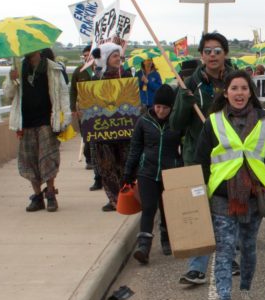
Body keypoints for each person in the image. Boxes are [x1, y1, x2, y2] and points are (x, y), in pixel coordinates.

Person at [191, 70, 265, 300]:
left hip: (256, 196)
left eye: (244, 88)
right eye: (234, 88)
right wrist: (197, 196)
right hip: (222, 196)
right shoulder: (214, 122)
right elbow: (201, 160)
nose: (239, 93)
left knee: (248, 246)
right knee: (223, 249)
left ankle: (245, 290)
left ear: (250, 93)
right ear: (226, 92)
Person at [172, 31, 233, 286]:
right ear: (201, 55)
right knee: (198, 210)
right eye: (207, 51)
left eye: (217, 50)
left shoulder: (235, 81)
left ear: (225, 54)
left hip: (228, 156)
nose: (212, 55)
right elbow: (175, 123)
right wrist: (186, 104)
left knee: (229, 208)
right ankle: (197, 267)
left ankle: (231, 255)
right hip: (197, 156)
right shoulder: (189, 85)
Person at [4, 48, 72, 211]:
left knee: (48, 158)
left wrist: (66, 117)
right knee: (30, 160)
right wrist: (12, 81)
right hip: (26, 122)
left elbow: (63, 93)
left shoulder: (52, 68)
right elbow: (9, 94)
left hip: (47, 120)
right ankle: (37, 197)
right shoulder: (18, 68)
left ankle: (50, 194)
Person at [123, 84, 182, 264]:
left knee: (167, 208)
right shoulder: (143, 121)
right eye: (158, 107)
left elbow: (187, 146)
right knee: (148, 207)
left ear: (171, 107)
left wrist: (182, 165)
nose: (161, 111)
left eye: (165, 107)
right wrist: (128, 172)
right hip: (147, 171)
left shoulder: (177, 123)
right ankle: (144, 246)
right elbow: (135, 148)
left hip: (170, 171)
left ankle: (166, 238)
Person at [89, 43, 133, 211]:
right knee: (107, 164)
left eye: (119, 56)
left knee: (124, 162)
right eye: (114, 56)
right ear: (106, 58)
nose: (118, 59)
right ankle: (113, 198)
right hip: (104, 129)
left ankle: (125, 196)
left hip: (123, 129)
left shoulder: (126, 74)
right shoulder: (97, 78)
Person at [70, 44, 100, 190]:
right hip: (84, 109)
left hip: (100, 110)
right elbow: (72, 91)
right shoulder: (79, 71)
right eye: (85, 55)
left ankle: (97, 163)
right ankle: (89, 159)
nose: (87, 57)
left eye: (90, 55)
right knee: (86, 134)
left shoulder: (100, 70)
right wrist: (72, 108)